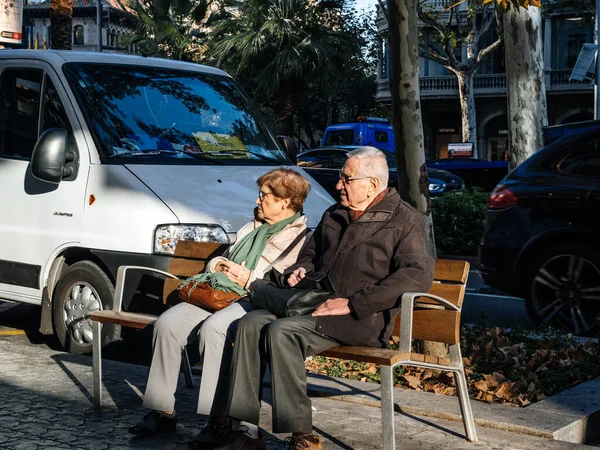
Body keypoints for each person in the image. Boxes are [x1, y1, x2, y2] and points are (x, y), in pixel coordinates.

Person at [218, 146, 434, 450]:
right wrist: (301, 268)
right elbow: (312, 252)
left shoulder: (404, 219)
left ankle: (301, 435)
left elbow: (416, 275)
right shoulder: (335, 212)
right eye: (340, 179)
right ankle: (247, 430)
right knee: (249, 323)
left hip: (361, 318)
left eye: (346, 179)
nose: (338, 185)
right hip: (314, 303)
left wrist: (352, 303)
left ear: (372, 184)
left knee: (282, 332)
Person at [129, 168, 312, 450]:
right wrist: (220, 266)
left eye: (265, 196)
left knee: (217, 329)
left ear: (285, 201)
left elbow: (278, 286)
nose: (258, 200)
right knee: (168, 323)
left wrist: (246, 277)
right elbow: (219, 260)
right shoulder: (253, 226)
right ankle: (162, 410)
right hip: (218, 294)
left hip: (253, 300)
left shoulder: (300, 238)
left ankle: (219, 419)